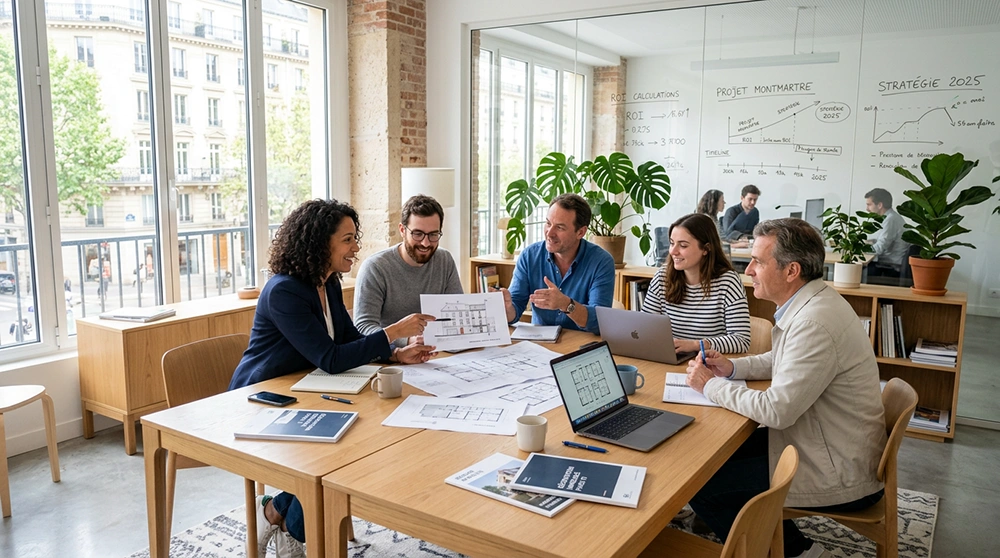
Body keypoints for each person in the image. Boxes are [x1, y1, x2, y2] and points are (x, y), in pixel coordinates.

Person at [228, 199, 435, 557]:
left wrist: (395, 353)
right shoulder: (283, 291)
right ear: (320, 242)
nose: (356, 247)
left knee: (363, 436)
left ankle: (276, 511)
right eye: (348, 239)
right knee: (334, 453)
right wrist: (392, 332)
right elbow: (330, 356)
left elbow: (350, 340)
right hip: (263, 395)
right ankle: (296, 531)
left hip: (310, 386)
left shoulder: (329, 282)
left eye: (355, 238)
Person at [684, 218, 886, 558]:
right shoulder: (816, 302)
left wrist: (712, 385)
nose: (749, 270)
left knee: (702, 486)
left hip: (838, 468)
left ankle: (800, 553)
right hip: (825, 442)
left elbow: (776, 411)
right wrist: (732, 367)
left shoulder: (813, 323)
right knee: (710, 460)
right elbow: (783, 358)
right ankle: (765, 534)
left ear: (791, 271)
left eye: (758, 262)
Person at [353, 195, 463, 346]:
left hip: (438, 351)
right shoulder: (375, 268)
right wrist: (407, 341)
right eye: (417, 234)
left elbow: (457, 314)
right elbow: (363, 328)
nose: (425, 243)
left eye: (433, 235)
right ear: (402, 230)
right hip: (391, 358)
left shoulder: (444, 260)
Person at [499, 193, 615, 335]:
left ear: (580, 232)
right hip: (540, 348)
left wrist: (565, 304)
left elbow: (599, 322)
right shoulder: (529, 256)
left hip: (581, 349)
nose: (550, 233)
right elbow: (515, 308)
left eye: (560, 227)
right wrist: (507, 308)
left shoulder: (601, 262)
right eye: (548, 223)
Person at [640, 213, 750, 355]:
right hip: (669, 362)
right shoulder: (662, 277)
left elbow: (741, 341)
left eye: (683, 245)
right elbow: (645, 328)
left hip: (709, 365)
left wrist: (696, 345)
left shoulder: (728, 282)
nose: (673, 251)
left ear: (706, 249)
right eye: (672, 243)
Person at [865, 188, 908, 278]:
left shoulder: (890, 220)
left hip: (890, 267)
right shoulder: (890, 217)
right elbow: (882, 241)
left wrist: (857, 249)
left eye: (869, 205)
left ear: (880, 205)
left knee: (860, 267)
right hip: (889, 263)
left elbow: (879, 248)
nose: (867, 209)